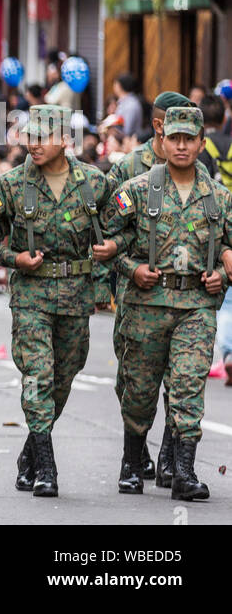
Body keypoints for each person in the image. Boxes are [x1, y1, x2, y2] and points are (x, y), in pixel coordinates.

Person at [0, 105, 112, 497]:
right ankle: (47, 467)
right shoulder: (11, 185)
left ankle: (30, 452)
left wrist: (102, 287)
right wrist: (11, 259)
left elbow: (111, 241)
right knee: (37, 374)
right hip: (31, 296)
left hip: (76, 297)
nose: (33, 145)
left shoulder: (92, 184)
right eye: (29, 137)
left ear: (66, 141)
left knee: (63, 378)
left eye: (43, 137)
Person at [106, 106, 229, 501]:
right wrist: (132, 269)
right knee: (139, 391)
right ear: (162, 139)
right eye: (173, 138)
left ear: (200, 142)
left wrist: (223, 275)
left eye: (188, 139)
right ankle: (130, 463)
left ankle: (184, 473)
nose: (180, 145)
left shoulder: (219, 198)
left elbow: (229, 247)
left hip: (196, 304)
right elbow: (110, 243)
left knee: (188, 388)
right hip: (147, 304)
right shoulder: (138, 190)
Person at [114, 73, 144, 138]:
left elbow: (127, 130)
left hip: (128, 142)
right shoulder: (124, 102)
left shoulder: (131, 104)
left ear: (119, 86)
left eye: (115, 84)